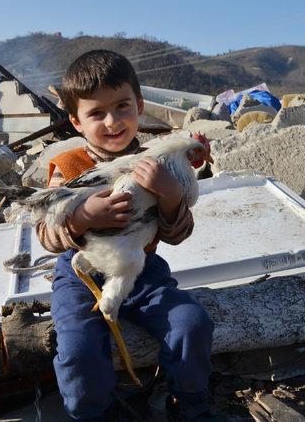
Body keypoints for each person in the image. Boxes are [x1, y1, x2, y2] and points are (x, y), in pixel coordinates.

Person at [36, 50, 218, 421]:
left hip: (143, 270)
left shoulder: (160, 162)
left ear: (138, 104)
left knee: (191, 323)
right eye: (96, 113)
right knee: (78, 347)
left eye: (122, 106)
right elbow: (46, 234)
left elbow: (179, 234)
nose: (112, 121)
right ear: (75, 121)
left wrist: (169, 196)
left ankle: (189, 403)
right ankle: (93, 413)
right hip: (79, 273)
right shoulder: (69, 166)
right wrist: (81, 218)